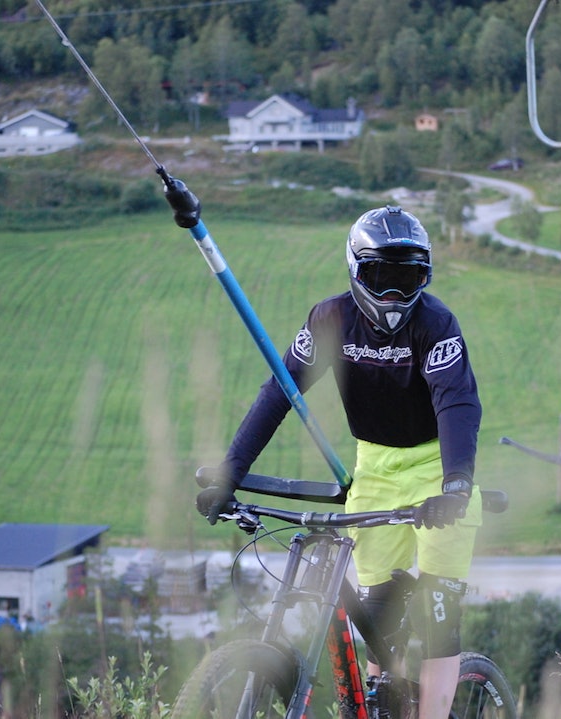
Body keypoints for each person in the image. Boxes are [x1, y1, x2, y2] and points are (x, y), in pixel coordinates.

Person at [205, 205, 483, 719]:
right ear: (356, 271)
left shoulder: (436, 324)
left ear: (425, 277)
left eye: (407, 278)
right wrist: (230, 474)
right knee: (379, 617)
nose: (393, 294)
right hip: (373, 468)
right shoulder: (329, 320)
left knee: (437, 613)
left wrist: (457, 484)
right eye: (380, 277)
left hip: (435, 468)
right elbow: (279, 393)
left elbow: (457, 403)